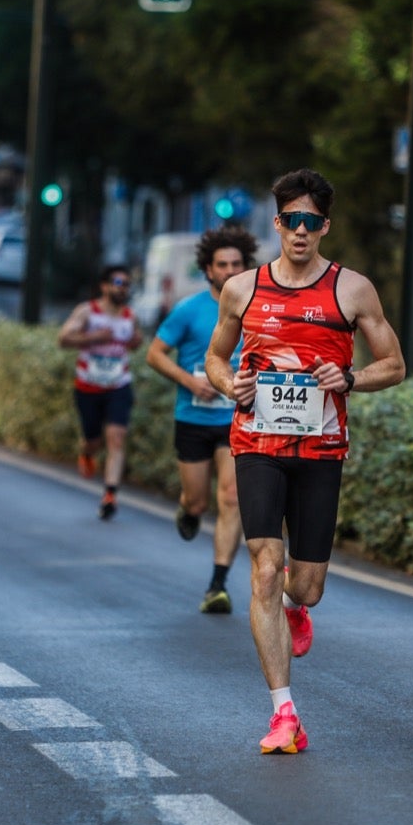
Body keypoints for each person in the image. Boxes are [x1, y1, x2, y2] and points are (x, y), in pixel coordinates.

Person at [204, 168, 405, 754]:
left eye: (311, 222)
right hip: (257, 446)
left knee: (307, 585)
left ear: (325, 227)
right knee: (265, 569)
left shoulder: (352, 290)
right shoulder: (242, 288)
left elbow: (393, 364)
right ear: (276, 224)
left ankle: (298, 606)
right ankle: (284, 714)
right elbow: (217, 358)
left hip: (321, 450)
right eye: (290, 220)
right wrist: (229, 385)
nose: (299, 231)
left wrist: (350, 377)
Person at [146, 225, 259, 614]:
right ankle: (188, 508)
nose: (229, 271)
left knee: (230, 498)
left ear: (246, 267)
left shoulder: (258, 308)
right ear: (208, 270)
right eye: (221, 265)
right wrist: (190, 383)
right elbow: (155, 353)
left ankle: (217, 585)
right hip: (193, 417)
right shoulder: (189, 309)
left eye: (236, 264)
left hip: (237, 418)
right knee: (197, 501)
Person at [59, 264, 142, 520]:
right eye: (118, 282)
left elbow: (134, 342)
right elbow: (63, 339)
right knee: (93, 439)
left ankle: (110, 494)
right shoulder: (88, 312)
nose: (122, 288)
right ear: (104, 286)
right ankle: (86, 452)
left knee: (117, 437)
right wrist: (93, 338)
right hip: (88, 385)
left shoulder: (130, 316)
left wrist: (135, 342)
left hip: (119, 384)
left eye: (126, 284)